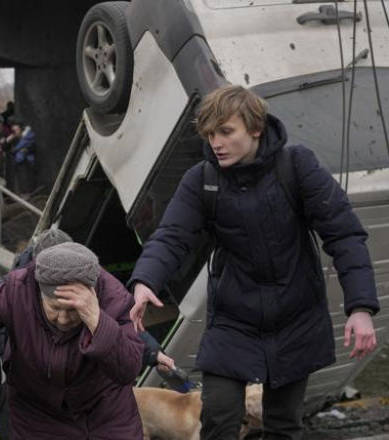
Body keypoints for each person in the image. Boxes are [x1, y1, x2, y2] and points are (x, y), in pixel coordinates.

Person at [127, 85, 380, 440]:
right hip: (233, 318)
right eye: (211, 134)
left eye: (226, 132)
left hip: (296, 315)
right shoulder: (202, 179)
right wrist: (144, 282)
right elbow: (171, 236)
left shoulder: (298, 165)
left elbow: (345, 235)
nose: (216, 142)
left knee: (283, 425)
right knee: (218, 417)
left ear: (255, 128)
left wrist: (360, 307)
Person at [0, 243, 144, 439]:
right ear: (40, 294)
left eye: (73, 311)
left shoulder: (113, 297)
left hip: (105, 416)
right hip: (36, 417)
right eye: (55, 308)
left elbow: (129, 369)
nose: (63, 318)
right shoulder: (18, 290)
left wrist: (97, 319)